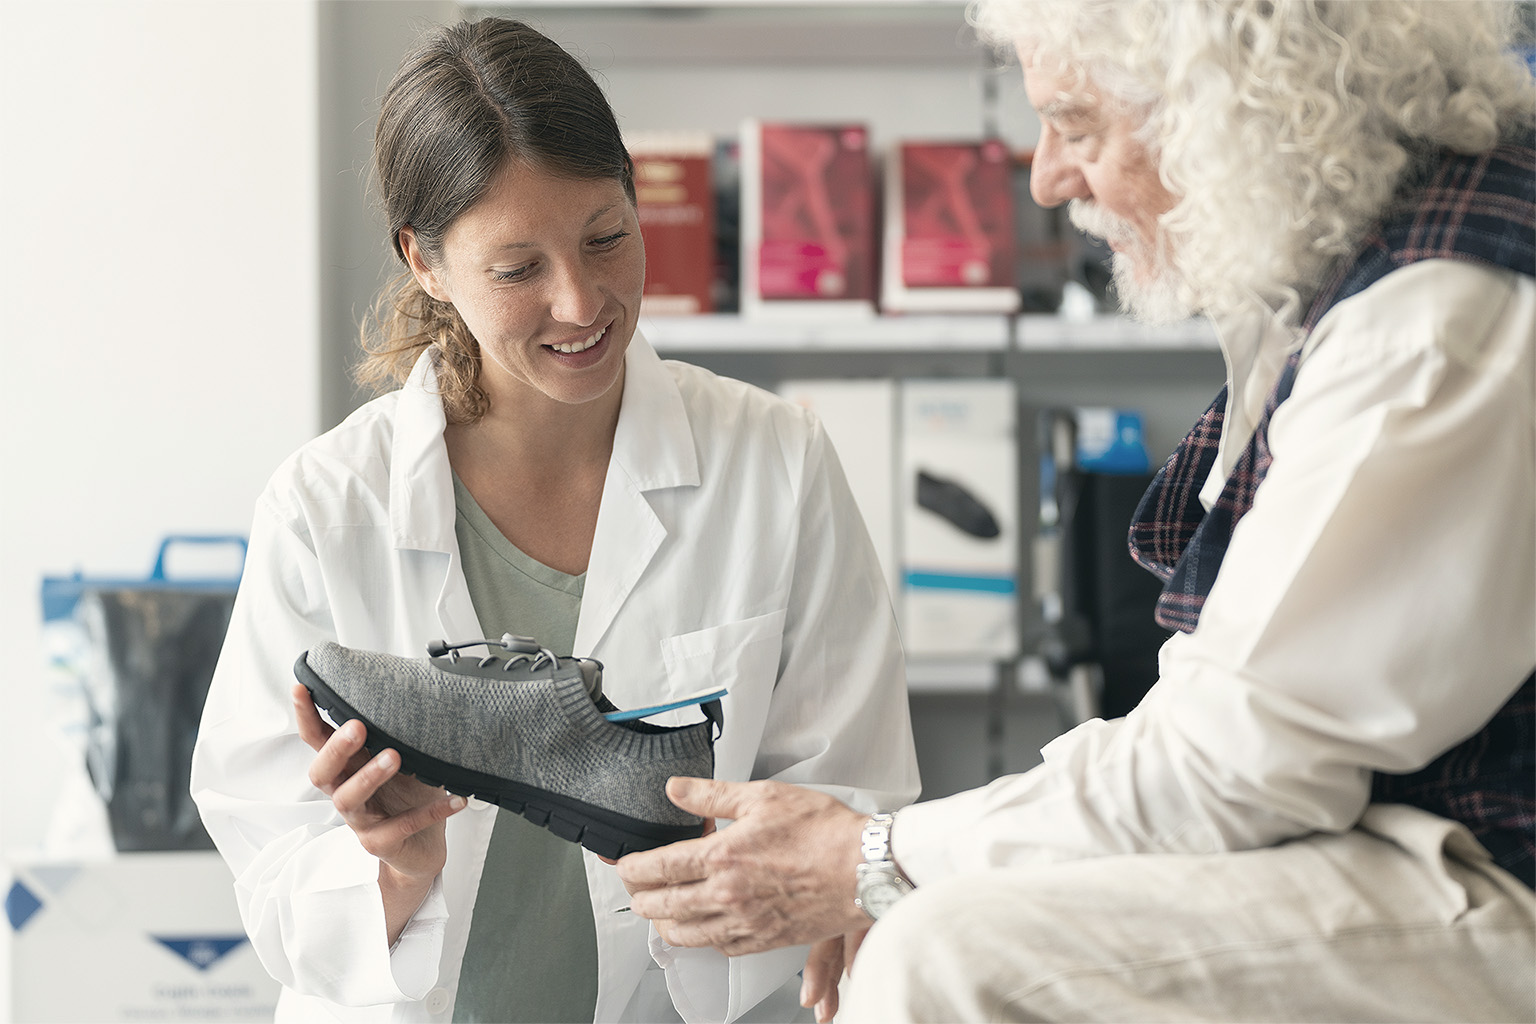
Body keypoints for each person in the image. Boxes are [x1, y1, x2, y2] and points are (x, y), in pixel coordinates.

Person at [615, 1, 1536, 1020]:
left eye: (1079, 126)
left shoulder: (1434, 319)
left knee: (945, 956)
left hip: (1501, 877)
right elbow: (1222, 733)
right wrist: (891, 862)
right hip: (1400, 840)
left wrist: (871, 859)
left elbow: (1230, 767)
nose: (1047, 179)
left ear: (1227, 113)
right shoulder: (1363, 277)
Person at [189, 17, 919, 1024]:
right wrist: (397, 869)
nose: (582, 301)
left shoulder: (774, 463)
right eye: (518, 267)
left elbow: (860, 808)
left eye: (607, 238)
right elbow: (269, 873)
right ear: (426, 262)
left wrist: (755, 877)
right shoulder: (327, 506)